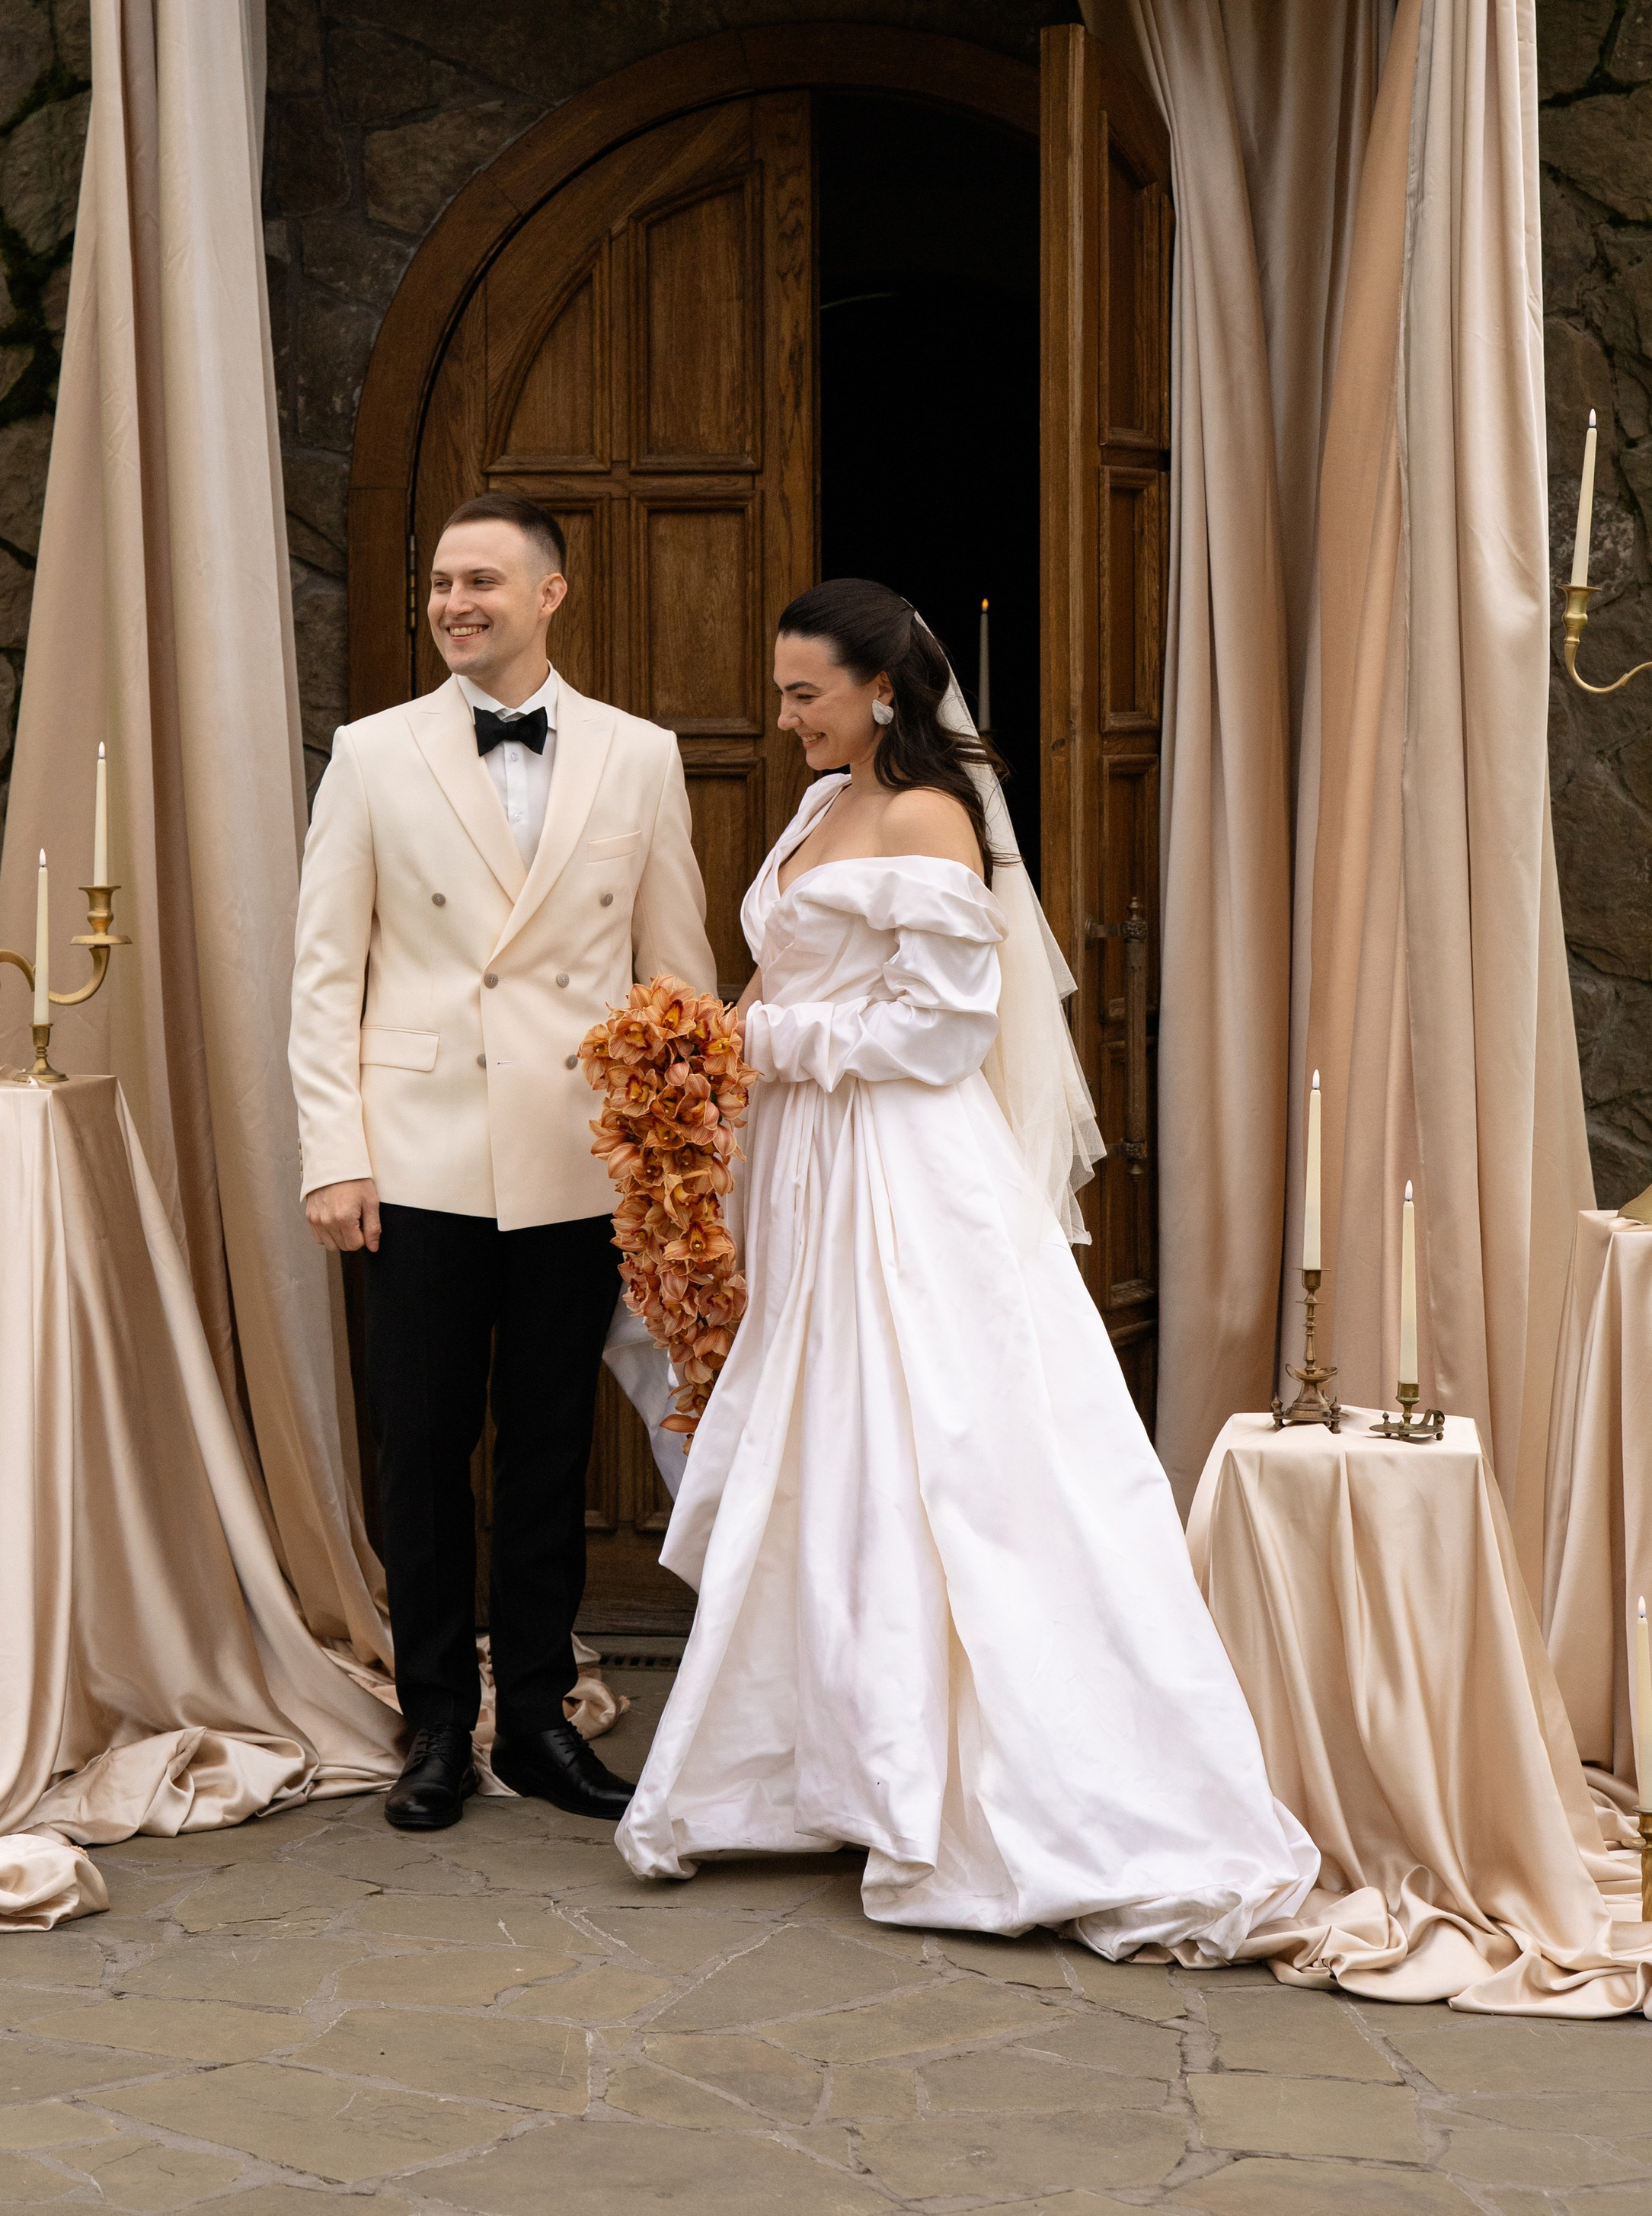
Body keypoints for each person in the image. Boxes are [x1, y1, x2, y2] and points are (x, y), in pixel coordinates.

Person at [617, 580, 1318, 1952]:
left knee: (933, 1442)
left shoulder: (931, 818)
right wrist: (699, 1052)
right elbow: (779, 973)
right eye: (782, 692)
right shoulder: (821, 806)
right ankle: (824, 1763)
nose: (785, 718)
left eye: (806, 694)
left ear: (882, 690)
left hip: (902, 1174)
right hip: (811, 1166)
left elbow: (941, 1030)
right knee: (828, 1441)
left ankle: (977, 1778)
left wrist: (763, 1048)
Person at [291, 494, 718, 1833]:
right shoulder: (373, 754)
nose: (453, 603)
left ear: (550, 594)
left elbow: (675, 974)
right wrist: (333, 1154)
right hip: (415, 1155)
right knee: (421, 1447)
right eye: (439, 582)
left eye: (481, 580)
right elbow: (324, 974)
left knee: (547, 1449)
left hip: (576, 1158)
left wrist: (680, 1160)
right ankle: (434, 1725)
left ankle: (534, 1721)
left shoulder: (641, 756)